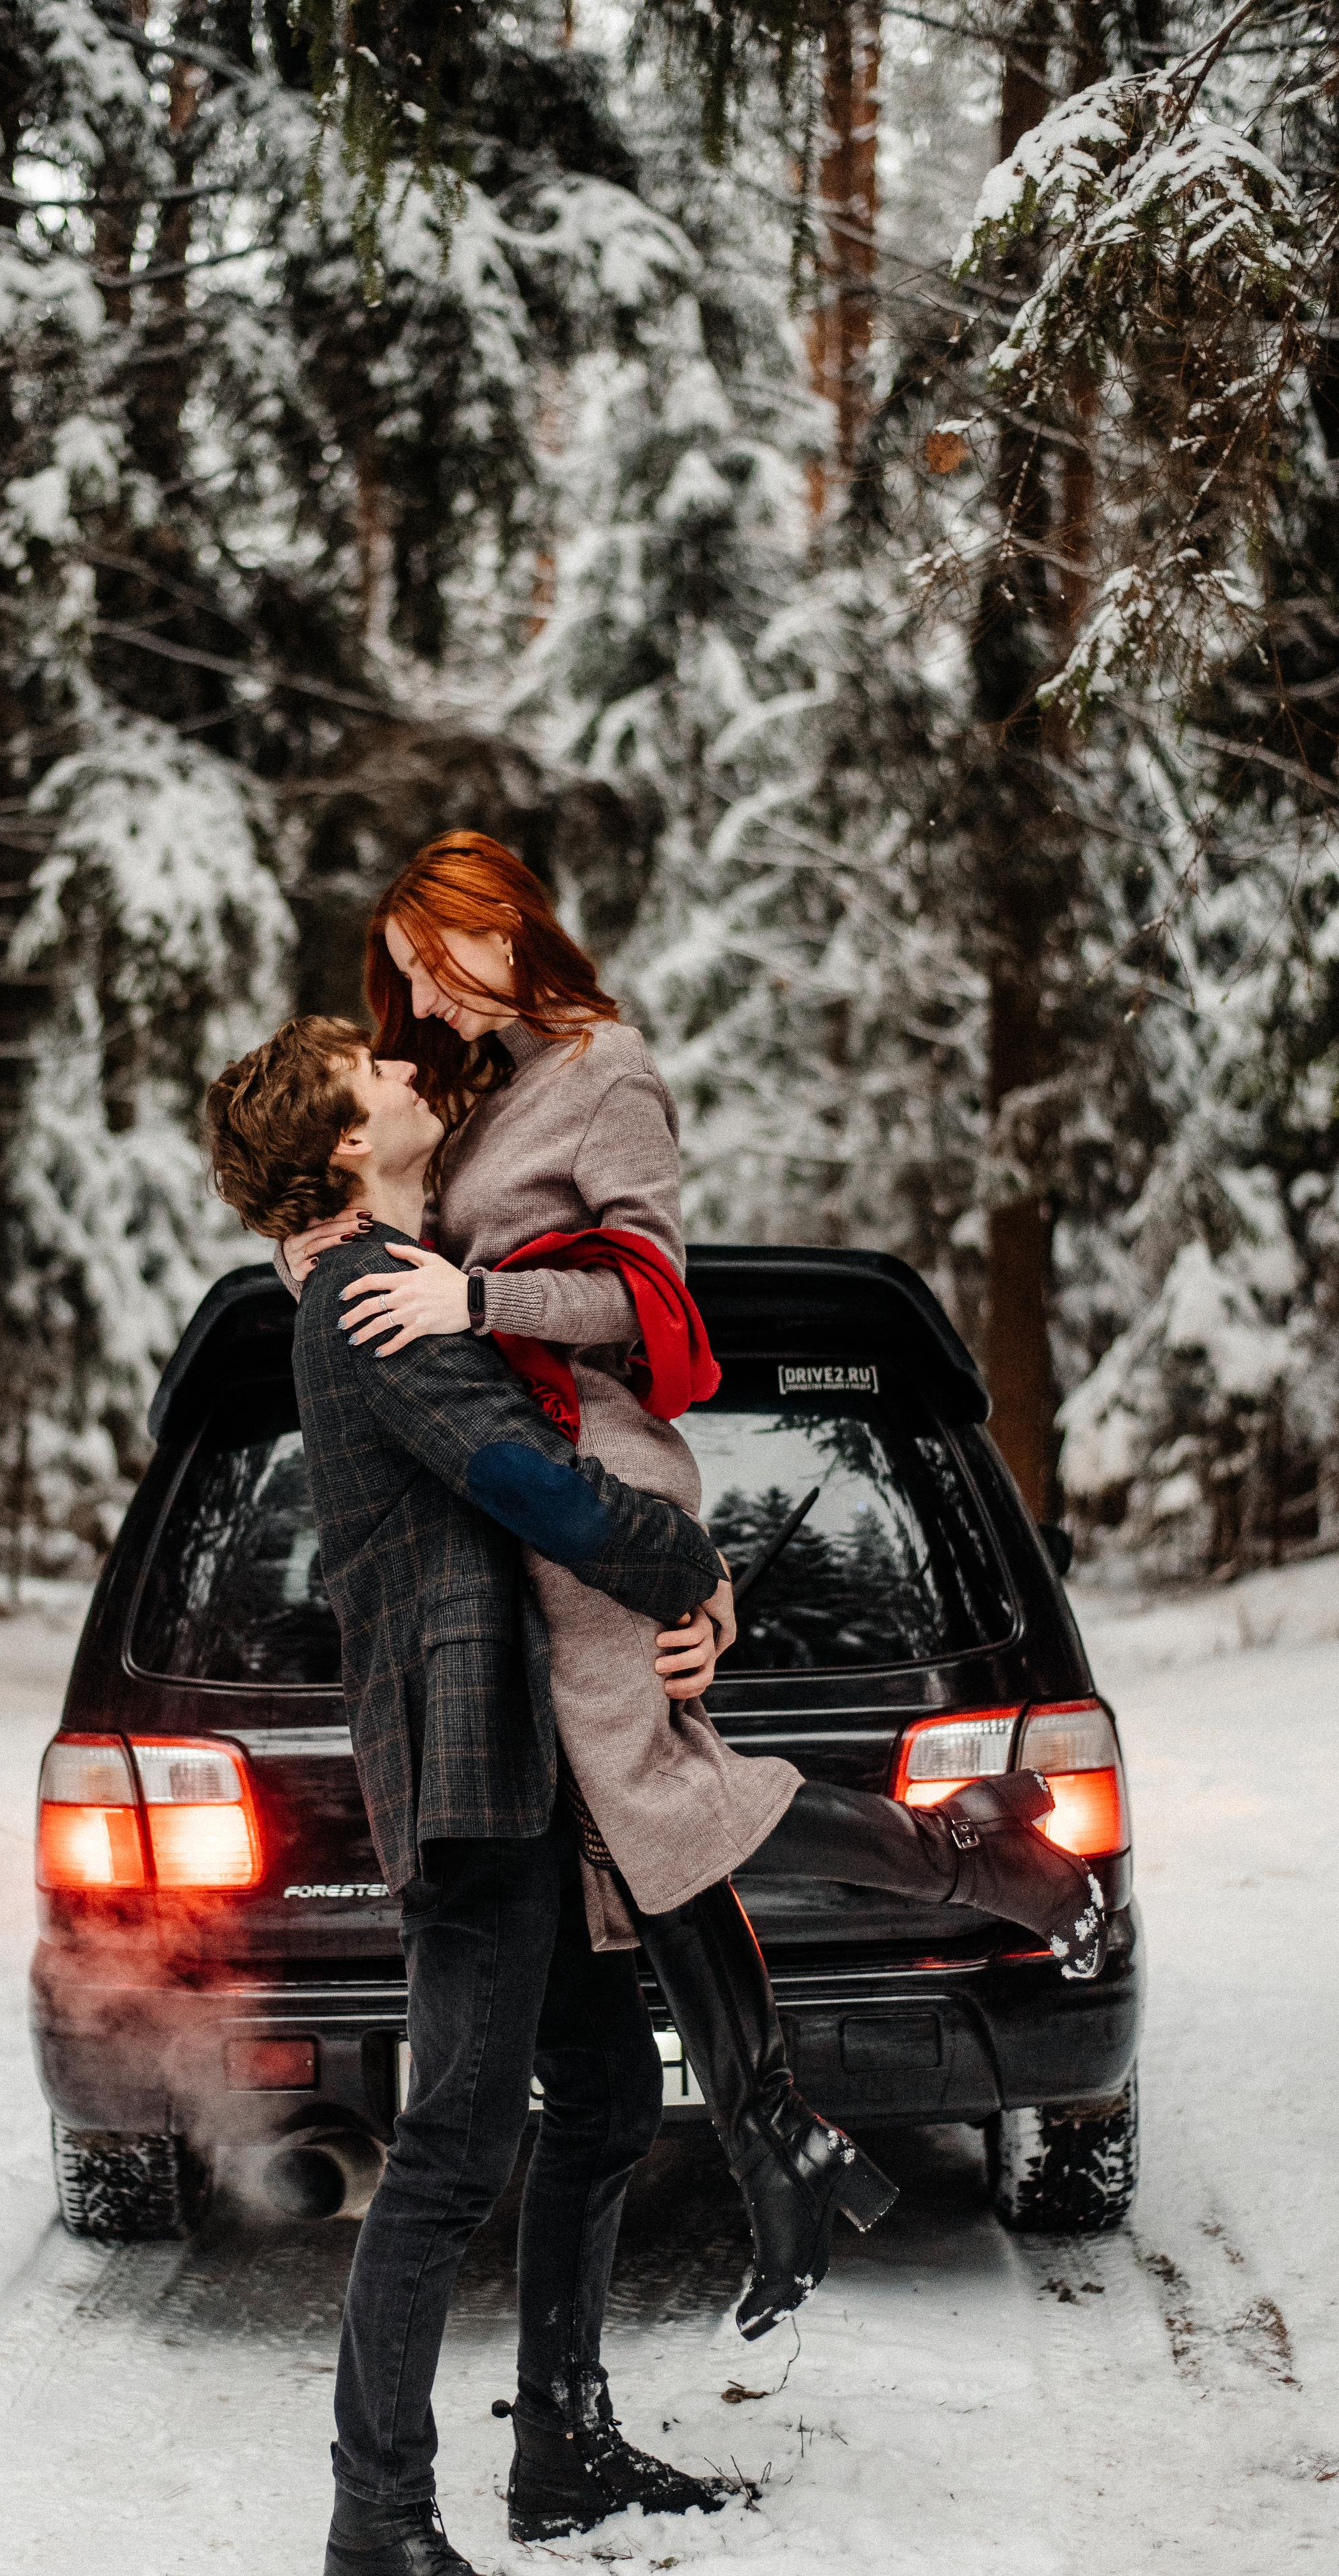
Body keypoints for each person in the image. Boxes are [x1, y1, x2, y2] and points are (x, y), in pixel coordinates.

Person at [275, 832, 1108, 2338]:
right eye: (396, 979)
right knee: (630, 1811)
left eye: (427, 964)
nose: (416, 1001)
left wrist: (482, 1297)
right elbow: (368, 1248)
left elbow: (649, 1293)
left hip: (592, 1476)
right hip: (519, 1492)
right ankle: (775, 2134)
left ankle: (956, 1869)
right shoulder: (472, 1090)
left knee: (649, 1799)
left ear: (498, 930)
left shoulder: (608, 1071)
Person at [204, 1014, 736, 2576]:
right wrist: (697, 1568)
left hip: (507, 1751)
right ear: (343, 1142)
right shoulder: (373, 1297)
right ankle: (375, 2534)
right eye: (370, 1066)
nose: (405, 1067)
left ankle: (561, 2451)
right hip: (468, 1761)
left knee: (592, 2088)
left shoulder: (379, 1266)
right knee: (445, 2147)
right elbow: (536, 1486)